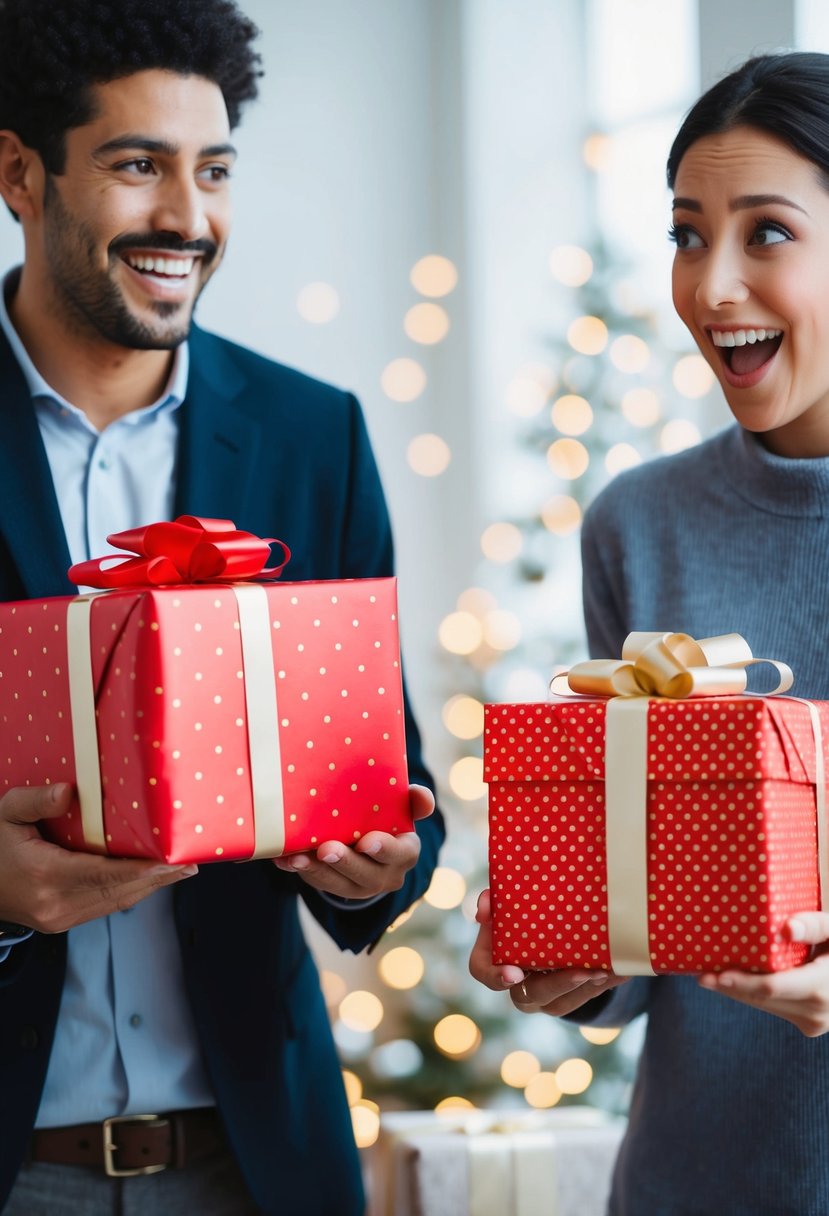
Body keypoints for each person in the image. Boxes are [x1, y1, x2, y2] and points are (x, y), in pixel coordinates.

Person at [0, 2, 444, 1213]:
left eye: (213, 172)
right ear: (20, 175)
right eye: (138, 165)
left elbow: (394, 787)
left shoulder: (314, 436)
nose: (187, 220)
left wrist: (372, 870)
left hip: (251, 1164)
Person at [470, 50, 829, 1216]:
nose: (712, 285)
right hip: (694, 1182)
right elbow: (653, 935)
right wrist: (573, 963)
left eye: (765, 232)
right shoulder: (641, 523)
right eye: (686, 233)